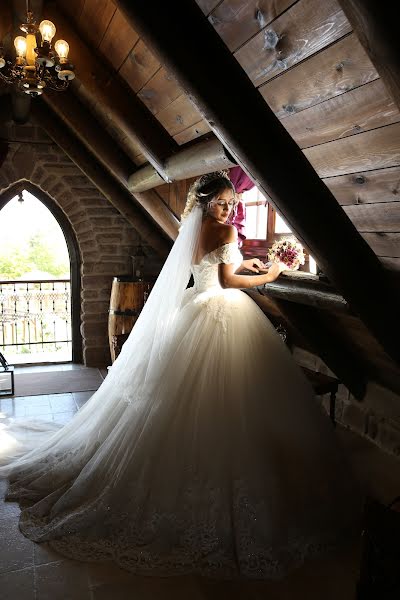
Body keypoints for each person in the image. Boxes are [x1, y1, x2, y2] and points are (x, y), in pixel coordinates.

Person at [0, 172, 361, 579]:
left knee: (181, 398)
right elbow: (228, 280)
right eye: (223, 203)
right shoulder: (224, 232)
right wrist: (269, 276)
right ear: (207, 204)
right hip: (222, 310)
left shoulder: (194, 231)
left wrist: (251, 261)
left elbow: (215, 266)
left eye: (232, 203)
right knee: (227, 399)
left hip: (194, 309)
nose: (229, 209)